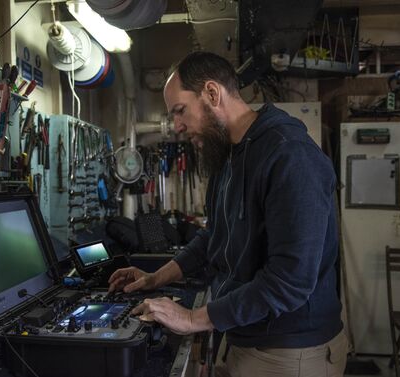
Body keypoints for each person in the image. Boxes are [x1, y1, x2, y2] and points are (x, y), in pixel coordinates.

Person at [108, 51, 347, 377]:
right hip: (245, 337)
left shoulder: (290, 156)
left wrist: (193, 319)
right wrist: (155, 278)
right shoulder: (230, 157)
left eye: (180, 111)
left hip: (291, 352)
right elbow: (214, 236)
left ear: (212, 93)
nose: (176, 126)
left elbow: (289, 281)